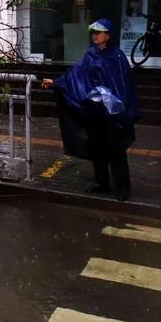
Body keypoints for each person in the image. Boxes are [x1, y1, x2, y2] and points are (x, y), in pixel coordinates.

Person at [42, 18, 139, 201]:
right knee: (98, 147)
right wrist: (56, 82)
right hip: (96, 111)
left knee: (117, 149)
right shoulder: (91, 55)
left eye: (98, 32)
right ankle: (101, 182)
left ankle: (123, 187)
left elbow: (124, 86)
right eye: (92, 32)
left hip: (113, 113)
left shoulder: (118, 57)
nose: (94, 36)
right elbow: (75, 75)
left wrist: (118, 106)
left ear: (108, 36)